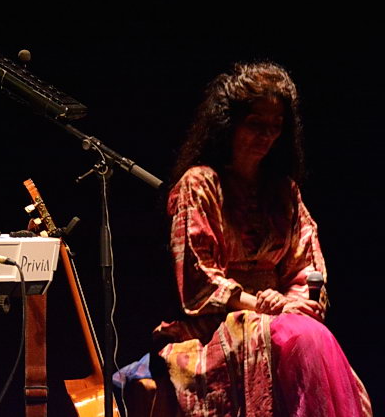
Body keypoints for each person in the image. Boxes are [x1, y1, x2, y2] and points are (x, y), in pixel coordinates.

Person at [152, 61, 371, 416]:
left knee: (308, 336)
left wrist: (290, 303)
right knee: (300, 336)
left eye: (275, 126)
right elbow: (199, 278)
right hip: (217, 326)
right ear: (230, 124)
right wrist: (262, 306)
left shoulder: (283, 191)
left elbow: (307, 265)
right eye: (256, 124)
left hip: (281, 317)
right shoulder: (200, 184)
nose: (267, 136)